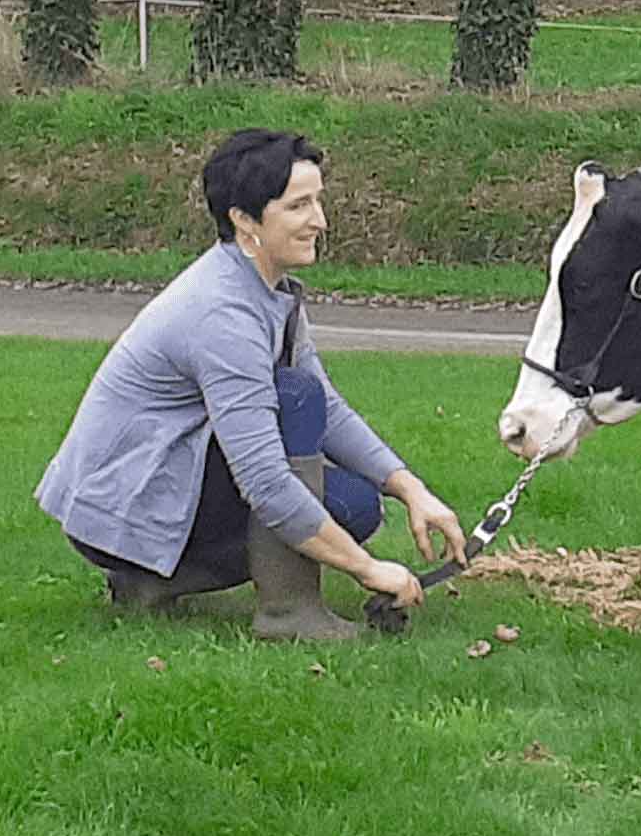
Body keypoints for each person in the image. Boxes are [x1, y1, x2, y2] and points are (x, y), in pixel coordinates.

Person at [38, 128, 469, 641]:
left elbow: (329, 412)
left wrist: (410, 489)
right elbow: (264, 480)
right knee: (296, 403)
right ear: (245, 221)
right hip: (117, 510)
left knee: (353, 501)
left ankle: (155, 583)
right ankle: (288, 614)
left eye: (318, 201)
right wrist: (369, 570)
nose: (320, 221)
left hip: (151, 490)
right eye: (298, 206)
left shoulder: (267, 287)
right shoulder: (223, 313)